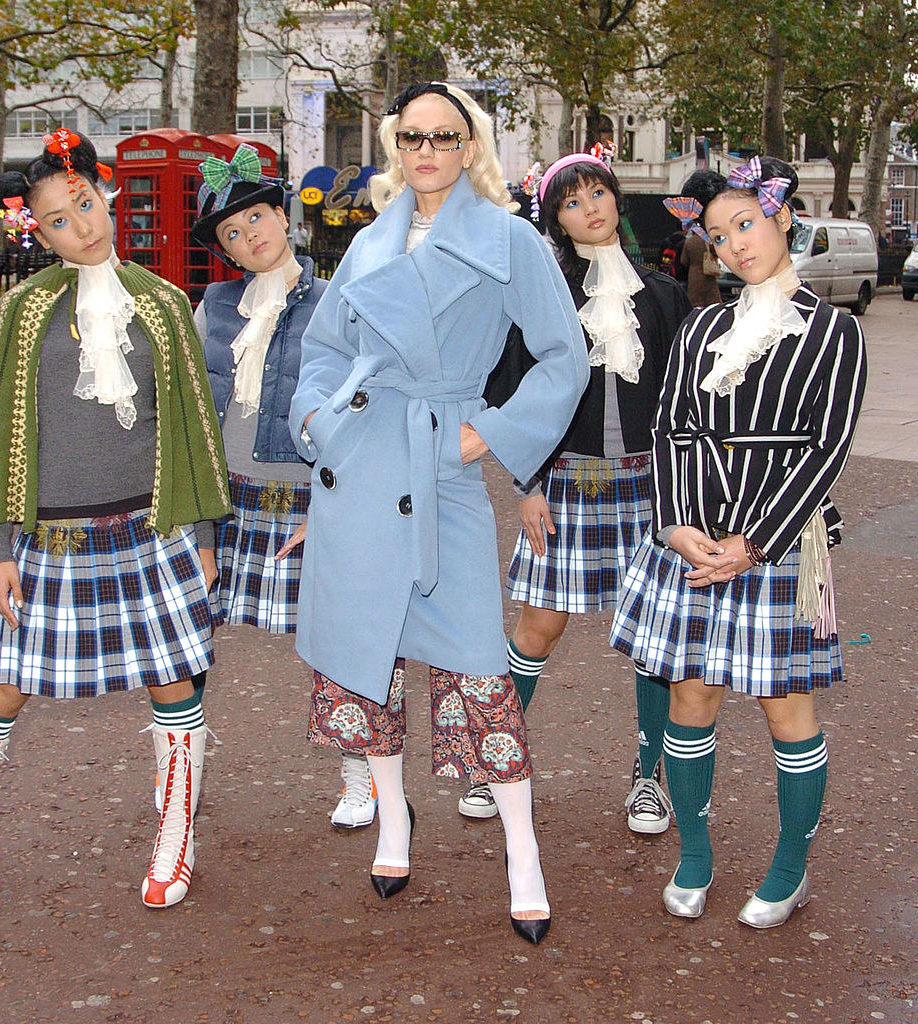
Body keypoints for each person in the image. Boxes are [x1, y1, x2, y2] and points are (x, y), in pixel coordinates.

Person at [289, 81, 589, 944]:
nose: (426, 151)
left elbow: (561, 356)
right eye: (412, 136)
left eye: (444, 137)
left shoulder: (507, 239)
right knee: (363, 662)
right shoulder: (369, 240)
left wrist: (483, 435)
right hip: (358, 456)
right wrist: (316, 421)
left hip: (440, 465)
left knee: (477, 672)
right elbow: (323, 348)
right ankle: (391, 822)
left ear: (470, 146)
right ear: (396, 145)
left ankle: (521, 852)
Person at [0, 128, 231, 918]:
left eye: (85, 206)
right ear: (40, 231)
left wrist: (201, 534)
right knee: (2, 688)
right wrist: (0, 547)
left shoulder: (164, 303)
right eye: (58, 220)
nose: (81, 227)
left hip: (151, 529)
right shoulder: (21, 312)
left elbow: (192, 427)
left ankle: (177, 839)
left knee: (175, 679)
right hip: (50, 537)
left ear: (106, 196)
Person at [610, 157, 866, 927]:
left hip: (778, 541)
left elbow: (827, 447)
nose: (733, 245)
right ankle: (695, 852)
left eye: (745, 224)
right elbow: (670, 426)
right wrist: (680, 526)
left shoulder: (835, 330)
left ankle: (789, 868)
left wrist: (753, 543)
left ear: (782, 217)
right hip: (692, 542)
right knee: (691, 697)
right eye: (717, 236)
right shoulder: (700, 327)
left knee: (786, 708)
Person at [469, 146, 691, 833]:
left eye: (597, 194)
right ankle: (494, 758)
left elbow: (685, 406)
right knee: (538, 625)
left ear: (616, 202)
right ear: (556, 221)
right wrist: (527, 482)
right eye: (570, 201)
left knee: (657, 639)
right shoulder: (543, 297)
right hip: (564, 485)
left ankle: (647, 776)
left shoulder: (664, 295)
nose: (588, 208)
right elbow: (508, 390)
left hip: (652, 491)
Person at [191, 145, 377, 831]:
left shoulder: (335, 304)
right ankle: (181, 758)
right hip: (222, 500)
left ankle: (359, 772)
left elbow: (364, 411)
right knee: (187, 638)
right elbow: (187, 411)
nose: (249, 238)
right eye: (232, 235)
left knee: (336, 637)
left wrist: (335, 506)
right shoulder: (209, 309)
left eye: (258, 219)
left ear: (283, 217)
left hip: (304, 500)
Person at [680, 229, 722, 306]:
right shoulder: (708, 241)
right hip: (709, 274)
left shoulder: (689, 242)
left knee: (695, 301)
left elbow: (683, 261)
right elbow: (717, 254)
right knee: (713, 301)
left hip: (694, 275)